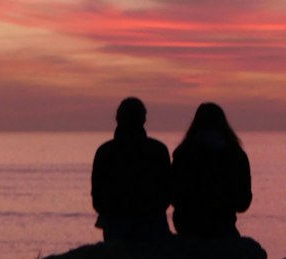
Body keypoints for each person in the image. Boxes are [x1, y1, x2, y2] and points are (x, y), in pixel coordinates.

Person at [91, 97, 171, 243]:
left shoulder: (105, 152)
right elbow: (168, 191)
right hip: (152, 224)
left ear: (117, 119)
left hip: (116, 225)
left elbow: (97, 197)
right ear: (144, 119)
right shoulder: (158, 150)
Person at [171, 102, 251, 238]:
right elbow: (243, 202)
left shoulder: (183, 153)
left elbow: (174, 196)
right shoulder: (236, 155)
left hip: (188, 226)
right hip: (222, 226)